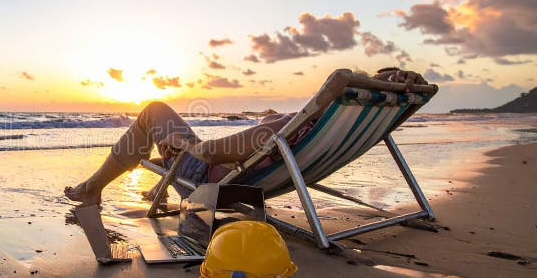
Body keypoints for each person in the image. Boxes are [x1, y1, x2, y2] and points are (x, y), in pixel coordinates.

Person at [64, 68, 427, 208]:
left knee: (154, 111)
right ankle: (152, 174)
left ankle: (93, 187)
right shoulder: (336, 128)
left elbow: (211, 154)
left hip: (207, 182)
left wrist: (189, 146)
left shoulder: (287, 127)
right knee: (170, 137)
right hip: (268, 175)